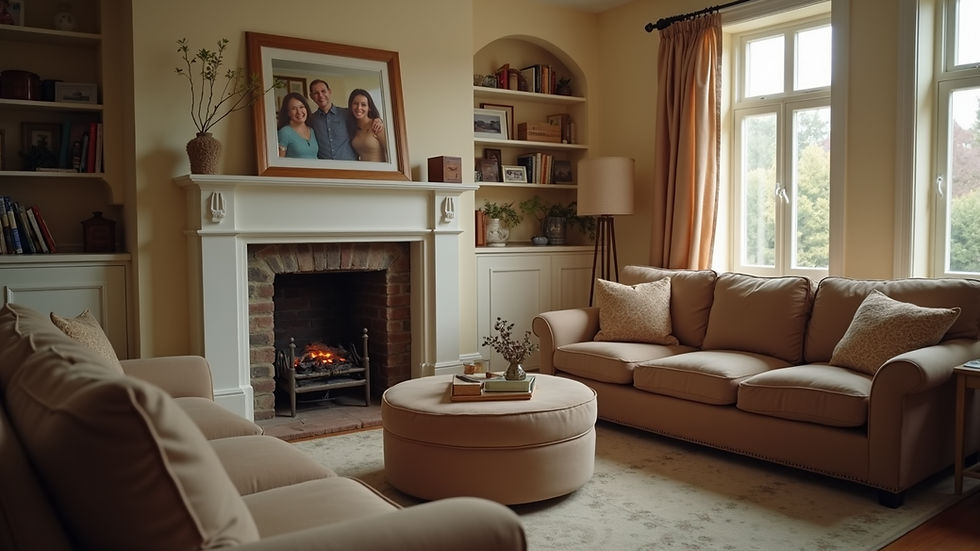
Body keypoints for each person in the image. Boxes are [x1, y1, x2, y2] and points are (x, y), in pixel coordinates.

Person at [307, 79, 382, 161]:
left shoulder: (347, 113)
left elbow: (364, 119)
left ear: (329, 92)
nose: (320, 95)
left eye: (323, 91)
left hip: (350, 165)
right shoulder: (311, 120)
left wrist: (378, 120)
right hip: (326, 167)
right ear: (311, 96)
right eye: (316, 93)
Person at [347, 89, 388, 162]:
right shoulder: (353, 127)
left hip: (379, 168)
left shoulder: (377, 126)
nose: (359, 108)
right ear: (350, 105)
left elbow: (392, 153)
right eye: (355, 103)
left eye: (363, 105)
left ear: (369, 108)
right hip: (362, 168)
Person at [276, 92, 318, 159]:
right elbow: (279, 161)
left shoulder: (311, 130)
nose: (299, 112)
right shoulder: (284, 132)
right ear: (288, 113)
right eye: (293, 108)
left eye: (301, 107)